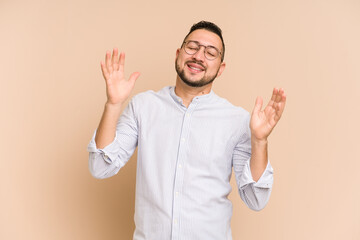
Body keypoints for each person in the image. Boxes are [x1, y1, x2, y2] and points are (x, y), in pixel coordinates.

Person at [87, 21, 286, 240]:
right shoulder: (143, 106)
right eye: (192, 47)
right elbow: (100, 167)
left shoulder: (238, 120)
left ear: (221, 69)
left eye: (210, 53)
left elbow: (256, 199)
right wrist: (113, 105)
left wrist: (259, 141)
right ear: (178, 54)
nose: (199, 56)